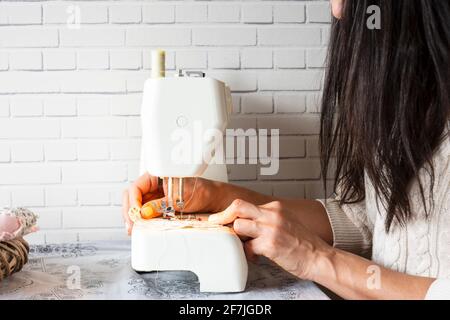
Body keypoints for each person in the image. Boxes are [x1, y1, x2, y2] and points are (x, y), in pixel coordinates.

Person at [123, 0, 450, 299]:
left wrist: (316, 259)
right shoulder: (406, 98)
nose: (336, 9)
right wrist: (214, 196)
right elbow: (363, 219)